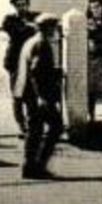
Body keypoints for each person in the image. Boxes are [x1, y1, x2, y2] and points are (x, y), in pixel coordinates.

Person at [15, 13, 65, 179]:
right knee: (56, 127)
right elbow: (36, 72)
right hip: (39, 95)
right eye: (55, 27)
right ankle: (38, 164)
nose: (57, 31)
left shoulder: (31, 41)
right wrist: (43, 97)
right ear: (49, 28)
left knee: (34, 130)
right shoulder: (42, 44)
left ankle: (29, 166)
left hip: (28, 93)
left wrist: (54, 72)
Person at [0, 0, 39, 134]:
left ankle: (32, 124)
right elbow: (17, 32)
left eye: (24, 4)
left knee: (32, 96)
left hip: (31, 62)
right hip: (16, 62)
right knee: (18, 95)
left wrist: (31, 26)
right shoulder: (9, 19)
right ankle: (21, 125)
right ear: (15, 7)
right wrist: (31, 27)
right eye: (19, 5)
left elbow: (48, 23)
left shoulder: (35, 17)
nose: (22, 7)